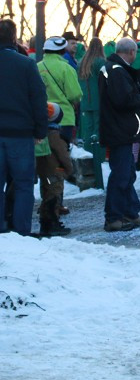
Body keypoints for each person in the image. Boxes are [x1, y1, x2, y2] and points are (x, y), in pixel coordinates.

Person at [0, 19, 48, 236]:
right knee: (23, 185)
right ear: (13, 38)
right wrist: (40, 130)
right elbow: (38, 99)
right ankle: (21, 231)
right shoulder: (26, 64)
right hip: (20, 134)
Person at [99, 37, 140, 232]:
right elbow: (123, 101)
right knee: (121, 175)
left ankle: (130, 211)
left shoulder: (111, 69)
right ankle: (113, 217)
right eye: (135, 53)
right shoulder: (117, 71)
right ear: (131, 52)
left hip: (119, 129)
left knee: (127, 173)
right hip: (120, 130)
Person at [35, 102, 73, 236]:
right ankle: (52, 223)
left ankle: (45, 223)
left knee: (46, 194)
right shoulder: (55, 135)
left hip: (43, 171)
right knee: (54, 195)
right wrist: (68, 169)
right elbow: (62, 154)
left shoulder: (40, 133)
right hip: (55, 170)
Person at [38, 36, 83, 145]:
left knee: (46, 157)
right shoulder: (66, 68)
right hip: (64, 118)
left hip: (42, 116)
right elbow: (75, 95)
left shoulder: (36, 67)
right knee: (62, 155)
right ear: (63, 50)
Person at [77, 38, 107, 189]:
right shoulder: (100, 62)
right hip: (98, 102)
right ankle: (97, 164)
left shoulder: (82, 62)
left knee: (88, 133)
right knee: (98, 132)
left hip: (85, 103)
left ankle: (87, 163)